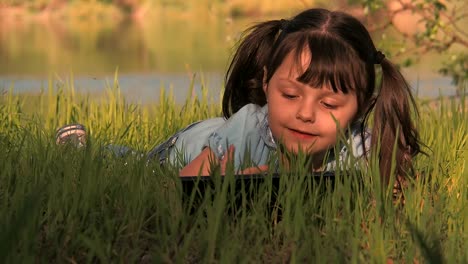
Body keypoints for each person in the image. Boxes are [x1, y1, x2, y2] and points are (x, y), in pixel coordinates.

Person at [57, 8, 423, 186]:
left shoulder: (366, 148)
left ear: (361, 106)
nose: (306, 114)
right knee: (138, 169)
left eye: (329, 104)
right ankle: (81, 146)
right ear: (266, 83)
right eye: (291, 94)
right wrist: (218, 183)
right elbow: (184, 190)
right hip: (198, 145)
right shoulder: (247, 130)